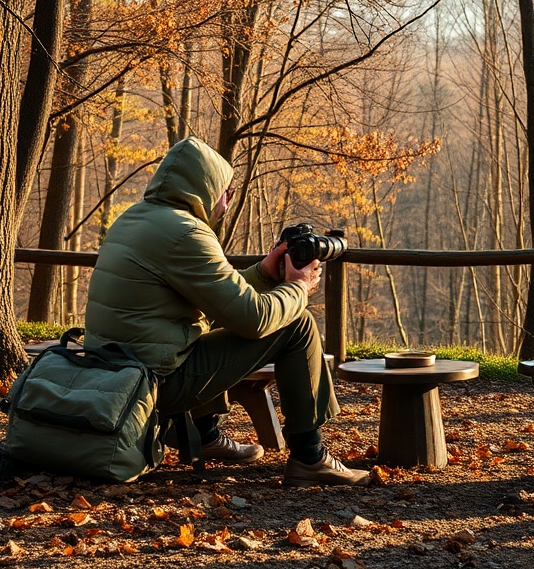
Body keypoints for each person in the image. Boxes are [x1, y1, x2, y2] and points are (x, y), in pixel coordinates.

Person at [84, 136, 368, 486]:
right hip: (152, 384)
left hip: (114, 375)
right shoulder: (186, 233)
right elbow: (253, 319)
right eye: (226, 191)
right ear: (204, 188)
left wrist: (264, 272)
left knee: (203, 331)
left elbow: (215, 300)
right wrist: (298, 287)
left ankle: (203, 436)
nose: (227, 201)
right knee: (298, 323)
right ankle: (310, 457)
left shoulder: (136, 218)